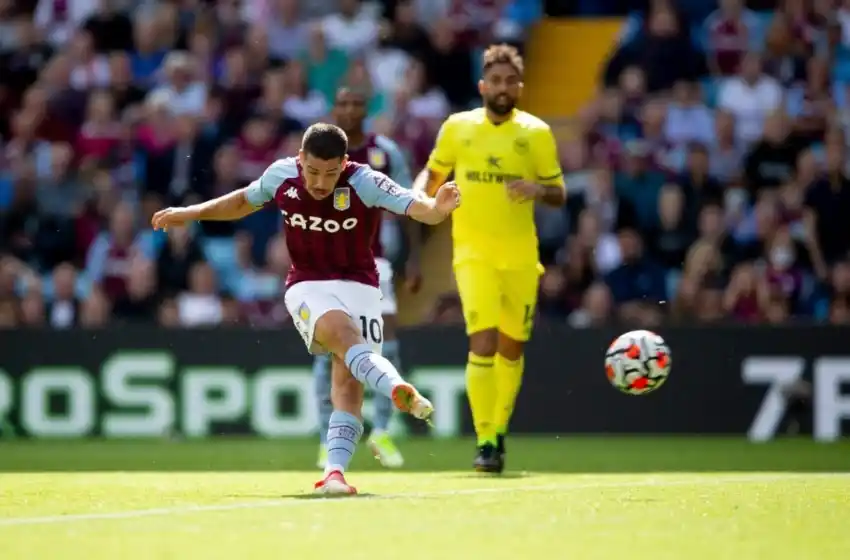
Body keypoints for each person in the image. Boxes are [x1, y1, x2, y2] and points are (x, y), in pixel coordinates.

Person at [151, 123, 461, 495]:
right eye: (313, 171)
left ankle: (334, 474)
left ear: (345, 163)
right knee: (345, 340)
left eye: (330, 174)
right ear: (301, 159)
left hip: (362, 287)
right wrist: (190, 212)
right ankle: (395, 385)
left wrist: (438, 208)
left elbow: (416, 207)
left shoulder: (364, 180)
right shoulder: (282, 175)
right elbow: (240, 202)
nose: (319, 182)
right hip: (308, 285)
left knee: (348, 382)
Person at [413, 44, 565, 473]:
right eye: (494, 80)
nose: (502, 88)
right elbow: (434, 170)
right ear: (483, 85)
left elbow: (559, 192)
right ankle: (484, 439)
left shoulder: (536, 133)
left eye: (509, 81)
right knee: (482, 341)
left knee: (512, 351)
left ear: (519, 86)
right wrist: (420, 194)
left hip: (520, 257)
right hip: (472, 253)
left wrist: (537, 189)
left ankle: (499, 430)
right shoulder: (458, 128)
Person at [305, 87, 418, 470]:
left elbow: (408, 203)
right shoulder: (317, 152)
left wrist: (414, 258)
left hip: (375, 265)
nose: (350, 109)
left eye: (356, 103)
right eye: (344, 103)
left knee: (386, 345)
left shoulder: (384, 153)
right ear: (334, 107)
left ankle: (382, 431)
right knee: (328, 353)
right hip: (326, 268)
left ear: (366, 108)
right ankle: (326, 439)